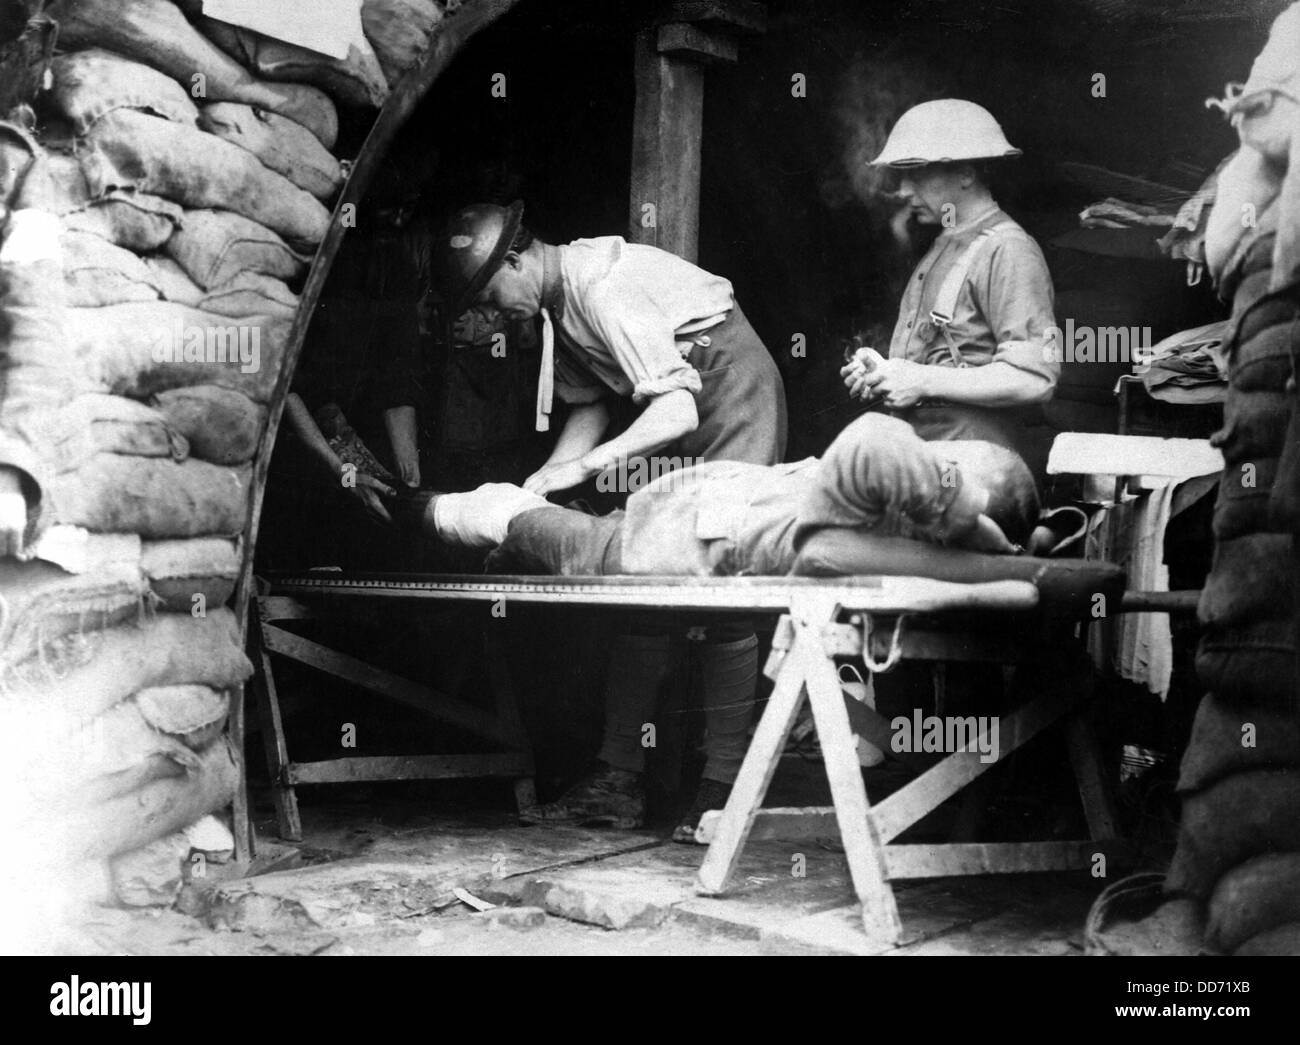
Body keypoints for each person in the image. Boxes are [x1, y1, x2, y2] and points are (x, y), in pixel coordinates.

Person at [410, 413, 1038, 839]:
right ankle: (435, 511)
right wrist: (978, 543)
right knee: (532, 527)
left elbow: (835, 530)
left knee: (517, 520)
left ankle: (425, 510)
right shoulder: (888, 499)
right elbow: (877, 439)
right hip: (690, 509)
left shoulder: (875, 533)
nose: (932, 470)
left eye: (949, 473)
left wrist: (967, 541)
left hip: (668, 541)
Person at [434, 201, 788, 839]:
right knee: (640, 580)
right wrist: (535, 491)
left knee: (720, 577)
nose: (490, 315)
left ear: (518, 258)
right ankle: (617, 779)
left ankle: (727, 785)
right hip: (678, 411)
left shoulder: (602, 286)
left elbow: (676, 410)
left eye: (489, 295)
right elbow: (591, 408)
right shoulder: (556, 309)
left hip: (730, 396)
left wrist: (587, 469)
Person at [841, 100, 1059, 475]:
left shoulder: (1008, 250)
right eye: (901, 176)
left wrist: (921, 380)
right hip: (925, 458)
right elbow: (939, 359)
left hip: (978, 467)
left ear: (967, 173)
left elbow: (1035, 378)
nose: (904, 191)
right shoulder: (945, 244)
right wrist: (884, 372)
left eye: (918, 175)